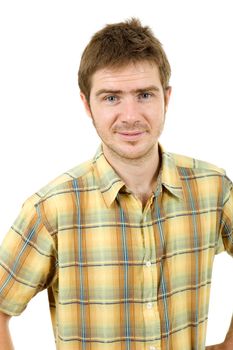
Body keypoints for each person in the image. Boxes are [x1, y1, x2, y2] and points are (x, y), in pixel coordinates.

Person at [0, 18, 232, 350]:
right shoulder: (51, 210)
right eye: (111, 98)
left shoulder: (213, 190)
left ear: (166, 98)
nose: (130, 115)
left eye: (144, 94)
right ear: (86, 104)